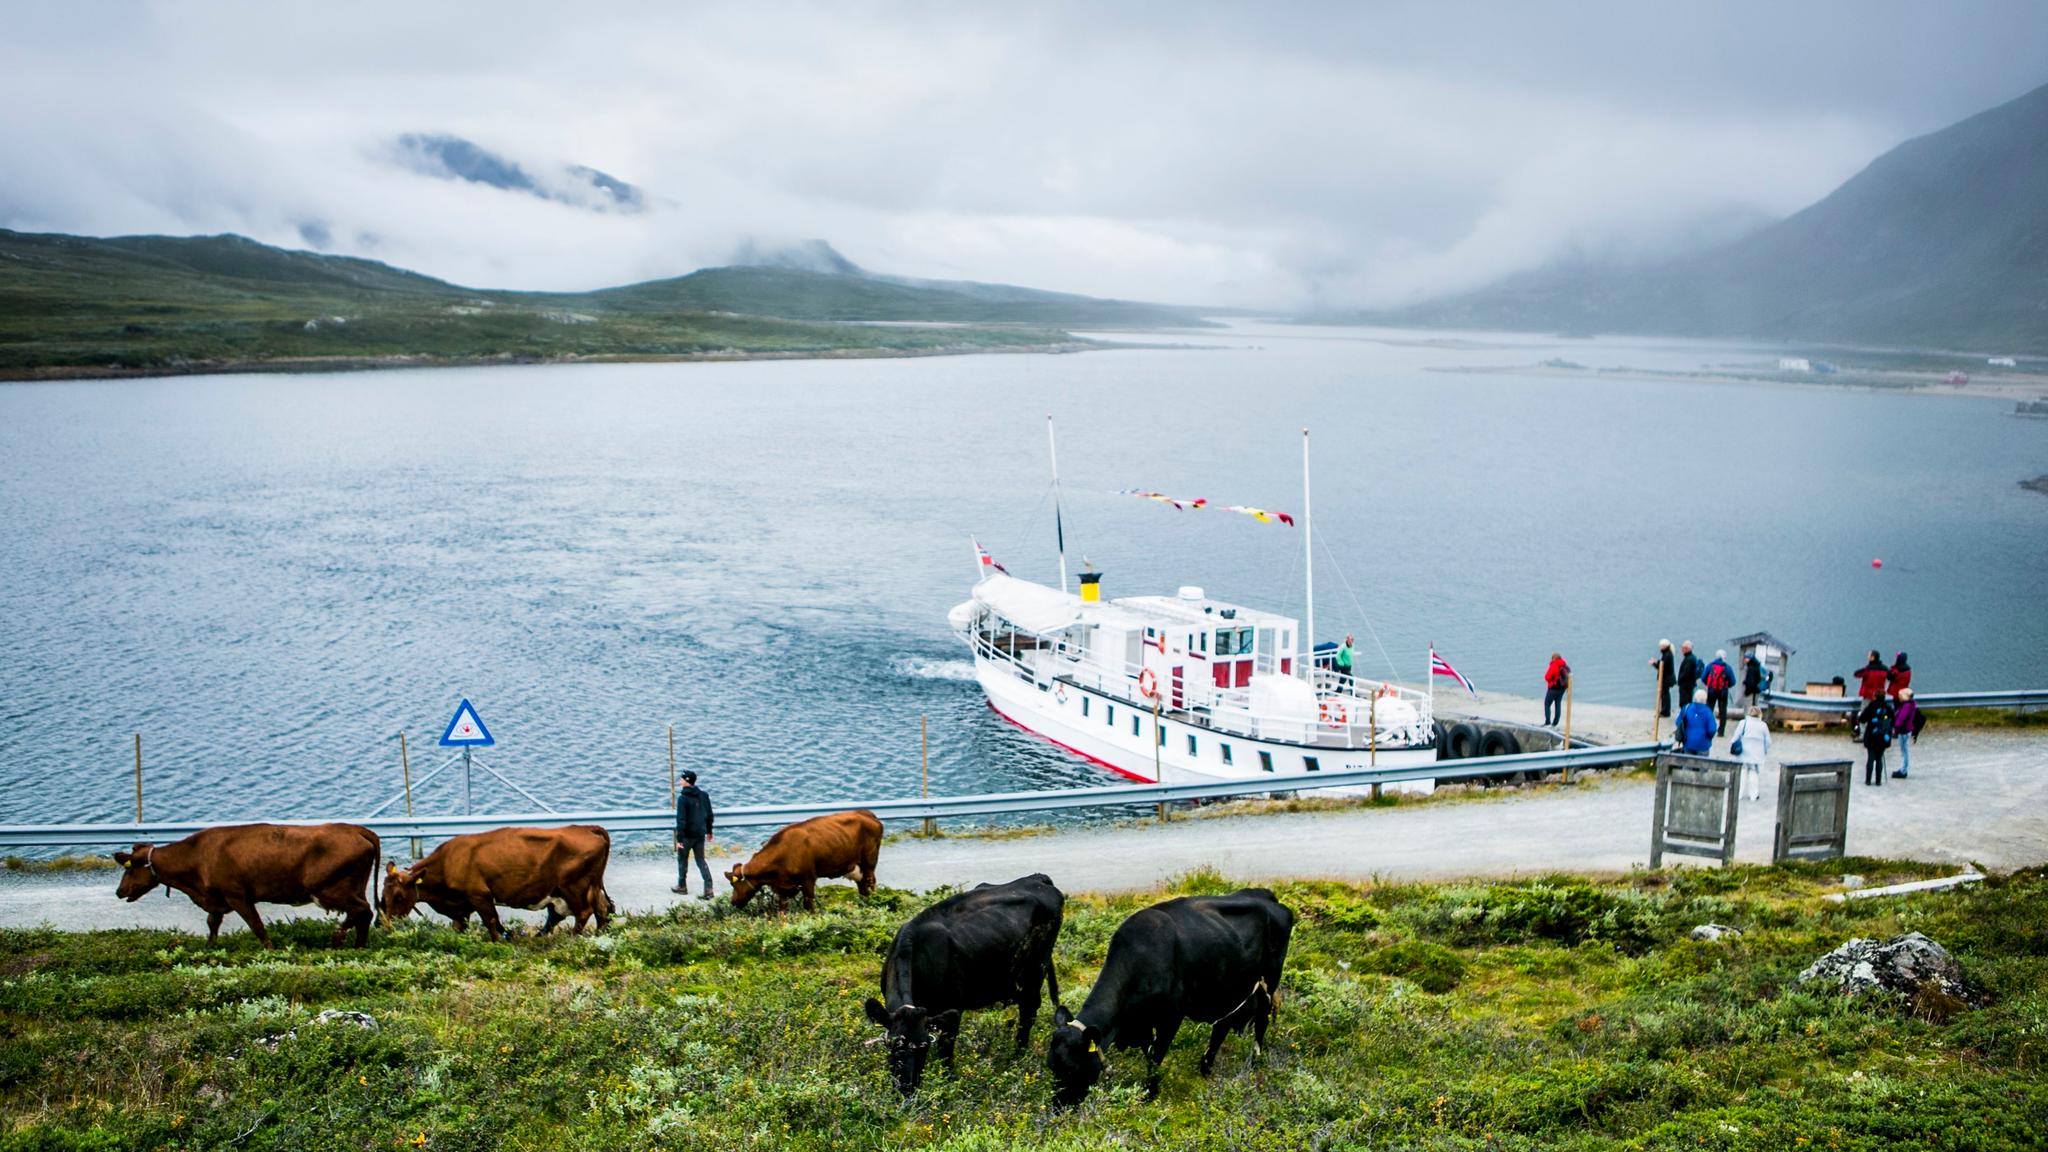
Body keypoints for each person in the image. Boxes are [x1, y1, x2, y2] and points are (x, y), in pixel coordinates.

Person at [672, 769, 715, 899]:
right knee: (701, 860)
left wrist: (679, 839)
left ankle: (682, 886)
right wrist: (709, 831)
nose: (680, 781)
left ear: (687, 781)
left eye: (682, 779)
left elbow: (681, 820)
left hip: (686, 836)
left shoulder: (682, 798)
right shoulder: (703, 795)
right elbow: (709, 815)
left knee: (682, 860)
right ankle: (708, 889)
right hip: (700, 835)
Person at [1730, 705, 1772, 801]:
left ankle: (1738, 794)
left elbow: (1735, 737)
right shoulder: (1763, 725)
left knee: (1742, 773)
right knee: (1754, 774)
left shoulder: (1743, 723)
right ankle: (1753, 795)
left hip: (1743, 754)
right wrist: (1764, 750)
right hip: (1756, 755)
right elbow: (1768, 741)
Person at [1852, 650, 1889, 742]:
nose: (1868, 657)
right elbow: (1891, 676)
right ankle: (1878, 732)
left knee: (1864, 714)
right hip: (1880, 696)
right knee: (1879, 714)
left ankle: (1863, 735)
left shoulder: (1868, 669)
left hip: (1868, 695)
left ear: (1872, 657)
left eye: (1869, 655)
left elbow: (1856, 674)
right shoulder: (1884, 669)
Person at [1858, 695, 1894, 786]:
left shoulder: (1871, 707)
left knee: (1870, 758)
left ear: (1875, 697)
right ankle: (1878, 780)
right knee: (1879, 758)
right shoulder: (1888, 708)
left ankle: (1868, 780)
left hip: (1871, 736)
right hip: (1883, 736)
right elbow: (1893, 720)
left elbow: (1862, 719)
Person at [1702, 649, 1736, 735]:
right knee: (1723, 711)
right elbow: (1733, 681)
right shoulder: (1728, 668)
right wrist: (1726, 686)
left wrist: (1709, 685)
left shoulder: (1710, 666)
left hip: (1711, 691)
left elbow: (1703, 678)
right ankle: (1721, 731)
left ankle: (1707, 729)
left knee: (1709, 709)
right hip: (1723, 692)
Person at [1891, 688, 1920, 778]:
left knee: (1904, 751)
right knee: (1904, 750)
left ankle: (1903, 770)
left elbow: (1901, 719)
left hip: (1903, 730)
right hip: (1906, 729)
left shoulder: (1906, 706)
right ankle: (1903, 769)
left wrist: (1895, 727)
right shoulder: (1911, 705)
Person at [1677, 688, 1717, 755]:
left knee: (1687, 764)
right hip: (1703, 744)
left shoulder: (1686, 708)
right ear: (1705, 700)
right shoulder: (1708, 712)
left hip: (1688, 742)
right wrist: (1708, 737)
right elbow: (1712, 730)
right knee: (1701, 764)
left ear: (1694, 698)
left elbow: (1678, 722)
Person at [1542, 652, 1571, 726]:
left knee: (1547, 704)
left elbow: (1547, 677)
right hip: (1562, 688)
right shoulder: (1565, 665)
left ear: (1553, 658)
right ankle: (1555, 723)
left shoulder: (1554, 665)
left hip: (1554, 688)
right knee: (1558, 704)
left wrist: (1551, 681)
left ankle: (1548, 722)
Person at [1650, 640, 1676, 717]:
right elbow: (1662, 663)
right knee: (1664, 694)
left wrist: (1654, 663)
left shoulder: (1667, 655)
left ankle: (1665, 711)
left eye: (1660, 646)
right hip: (1667, 677)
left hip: (1666, 679)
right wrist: (1656, 662)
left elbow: (1662, 666)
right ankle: (1664, 710)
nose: (1659, 648)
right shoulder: (1667, 654)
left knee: (1665, 695)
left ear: (1664, 646)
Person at [1676, 642, 1703, 711]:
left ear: (1687, 649)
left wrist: (1680, 680)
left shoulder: (1689, 659)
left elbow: (1686, 673)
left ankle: (1685, 718)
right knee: (1686, 702)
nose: (1682, 650)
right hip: (1688, 684)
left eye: (1683, 648)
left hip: (1686, 685)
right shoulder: (1690, 658)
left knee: (1685, 702)